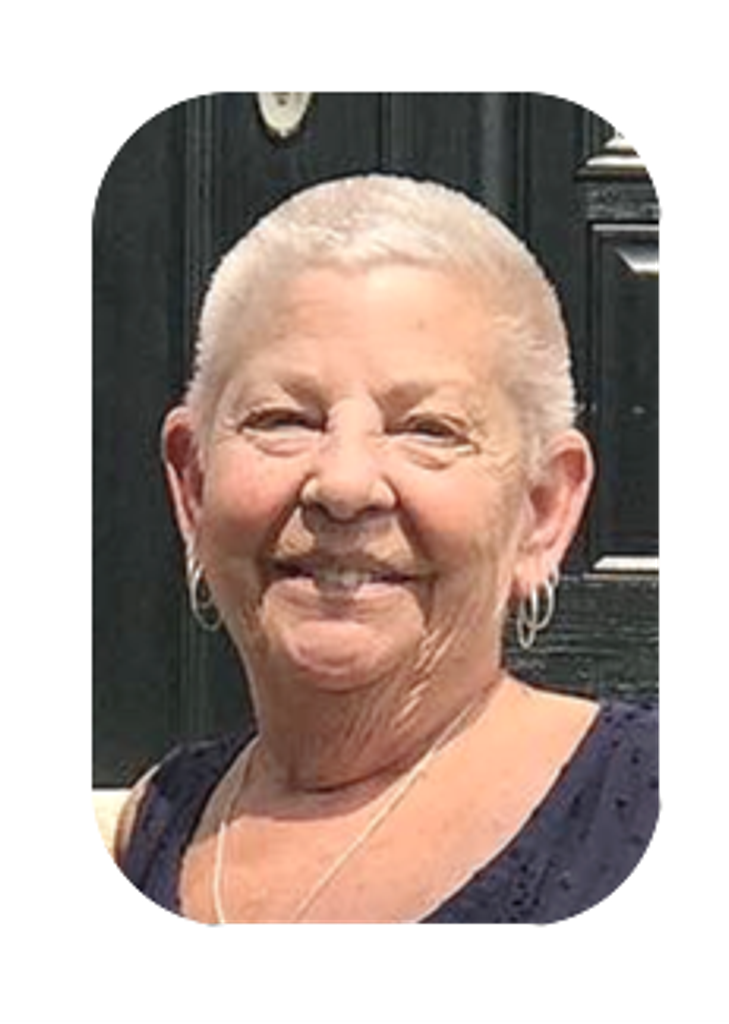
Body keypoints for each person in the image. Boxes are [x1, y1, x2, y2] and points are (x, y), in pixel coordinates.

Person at [114, 174, 659, 925]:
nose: (343, 486)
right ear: (195, 486)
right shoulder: (158, 823)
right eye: (282, 419)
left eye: (428, 429)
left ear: (541, 510)